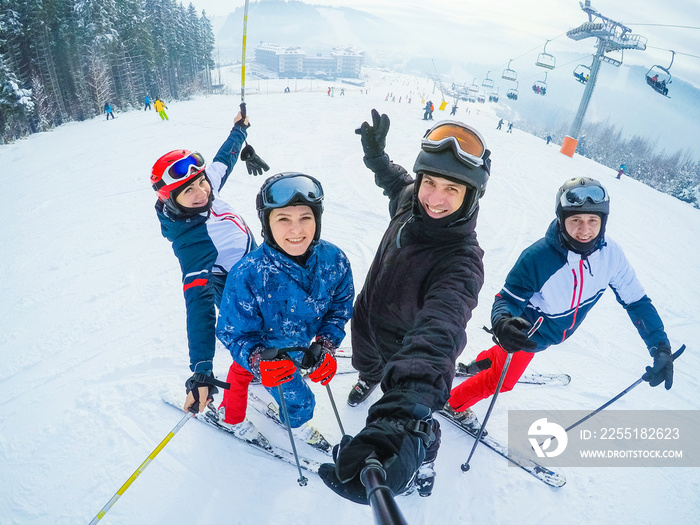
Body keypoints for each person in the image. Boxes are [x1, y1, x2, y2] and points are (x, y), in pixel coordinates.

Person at [319, 109, 491, 502]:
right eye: (429, 181)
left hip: (408, 350)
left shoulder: (461, 261)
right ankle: (368, 378)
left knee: (421, 425)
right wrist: (377, 157)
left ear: (471, 195)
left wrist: (404, 412)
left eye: (452, 189)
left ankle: (422, 460)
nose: (435, 198)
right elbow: (396, 182)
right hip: (366, 321)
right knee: (367, 364)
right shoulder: (413, 200)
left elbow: (439, 332)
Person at [445, 177, 675, 431]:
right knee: (502, 382)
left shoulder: (612, 256)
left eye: (593, 221)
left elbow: (637, 302)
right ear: (562, 220)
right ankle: (452, 403)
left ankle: (481, 364)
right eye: (575, 220)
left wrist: (660, 347)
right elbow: (508, 300)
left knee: (500, 362)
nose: (584, 229)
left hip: (550, 333)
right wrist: (503, 323)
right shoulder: (539, 257)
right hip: (526, 334)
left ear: (603, 221)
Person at [215, 172, 354, 446]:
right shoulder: (248, 274)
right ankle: (240, 418)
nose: (296, 230)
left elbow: (339, 309)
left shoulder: (334, 260)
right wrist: (257, 359)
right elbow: (232, 331)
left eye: (305, 218)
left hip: (300, 347)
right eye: (283, 219)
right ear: (267, 224)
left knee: (243, 373)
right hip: (271, 356)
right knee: (298, 399)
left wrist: (325, 346)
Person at [150, 110, 258, 417]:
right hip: (236, 290)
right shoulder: (192, 242)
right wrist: (201, 370)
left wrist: (239, 129)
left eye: (200, 183)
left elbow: (224, 159)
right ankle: (259, 371)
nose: (202, 193)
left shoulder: (205, 184)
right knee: (253, 331)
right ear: (170, 198)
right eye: (189, 191)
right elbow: (197, 304)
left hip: (259, 264)